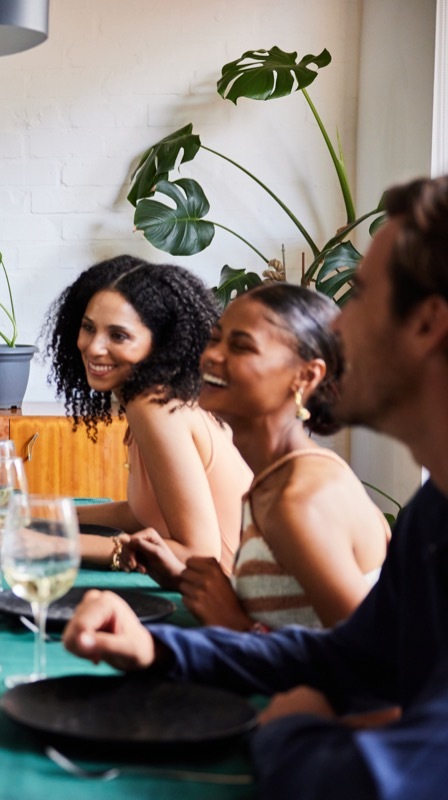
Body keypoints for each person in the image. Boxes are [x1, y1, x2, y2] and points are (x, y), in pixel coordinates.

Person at [63, 175, 448, 799]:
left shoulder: (305, 497)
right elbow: (352, 656)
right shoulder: (433, 512)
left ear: (429, 324)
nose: (340, 322)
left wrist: (287, 725)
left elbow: (383, 776)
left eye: (365, 295)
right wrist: (161, 649)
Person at [131, 283, 389, 630]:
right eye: (215, 339)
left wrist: (235, 623)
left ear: (306, 376)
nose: (212, 356)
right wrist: (187, 582)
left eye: (241, 346)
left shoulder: (298, 501)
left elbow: (370, 657)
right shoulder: (277, 477)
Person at [41, 255, 252, 578]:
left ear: (161, 342)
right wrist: (44, 514)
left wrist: (45, 544)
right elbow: (142, 514)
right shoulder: (157, 398)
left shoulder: (154, 406)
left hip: (224, 605)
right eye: (87, 328)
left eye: (118, 336)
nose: (94, 347)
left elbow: (199, 555)